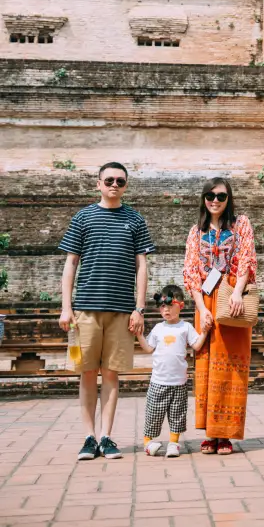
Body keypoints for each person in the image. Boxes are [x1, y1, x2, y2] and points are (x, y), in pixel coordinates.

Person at [58, 161, 155, 461]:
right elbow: (70, 264)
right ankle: (88, 436)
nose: (114, 184)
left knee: (111, 374)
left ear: (126, 186)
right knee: (87, 373)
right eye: (109, 180)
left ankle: (106, 436)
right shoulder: (83, 218)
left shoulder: (135, 220)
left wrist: (139, 308)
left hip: (122, 311)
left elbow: (142, 267)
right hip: (85, 309)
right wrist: (66, 307)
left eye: (120, 181)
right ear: (98, 184)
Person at [183, 177, 257, 455]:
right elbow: (191, 271)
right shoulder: (196, 232)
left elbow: (247, 258)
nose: (215, 200)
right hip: (205, 299)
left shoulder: (241, 225)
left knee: (230, 367)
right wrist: (201, 310)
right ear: (204, 198)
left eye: (221, 196)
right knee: (206, 367)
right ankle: (210, 433)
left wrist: (237, 292)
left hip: (231, 298)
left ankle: (224, 434)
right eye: (210, 195)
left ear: (229, 199)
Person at [136, 284, 210, 457]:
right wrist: (139, 335)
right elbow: (148, 348)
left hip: (179, 382)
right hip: (158, 381)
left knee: (177, 415)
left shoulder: (186, 327)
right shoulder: (158, 328)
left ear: (180, 305)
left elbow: (197, 345)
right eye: (162, 306)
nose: (165, 310)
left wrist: (205, 332)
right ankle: (148, 442)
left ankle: (174, 443)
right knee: (153, 413)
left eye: (169, 306)